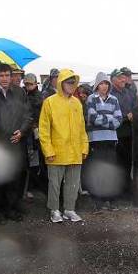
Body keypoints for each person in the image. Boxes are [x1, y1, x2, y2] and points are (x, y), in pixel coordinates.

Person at [0, 63, 32, 223]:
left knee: (14, 179)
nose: (4, 79)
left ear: (12, 77)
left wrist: (22, 131)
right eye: (1, 75)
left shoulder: (19, 92)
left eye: (7, 75)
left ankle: (10, 209)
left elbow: (27, 115)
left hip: (16, 143)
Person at [39, 69, 89, 223]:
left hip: (75, 151)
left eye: (73, 82)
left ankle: (69, 209)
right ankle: (54, 210)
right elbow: (44, 129)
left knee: (73, 183)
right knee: (54, 184)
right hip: (56, 151)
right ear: (61, 83)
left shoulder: (77, 103)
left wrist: (84, 147)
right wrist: (48, 150)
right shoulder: (50, 102)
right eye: (68, 82)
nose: (71, 85)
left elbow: (82, 127)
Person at [85, 72, 122, 210]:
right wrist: (109, 120)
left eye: (106, 83)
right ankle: (97, 201)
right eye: (101, 83)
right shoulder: (91, 99)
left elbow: (118, 120)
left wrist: (104, 120)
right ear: (97, 85)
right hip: (96, 140)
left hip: (111, 139)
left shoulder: (114, 99)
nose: (104, 86)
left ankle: (110, 200)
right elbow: (93, 117)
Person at [110, 68, 136, 197]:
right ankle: (118, 190)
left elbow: (135, 107)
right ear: (113, 79)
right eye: (120, 78)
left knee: (127, 162)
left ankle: (126, 188)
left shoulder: (129, 92)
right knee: (117, 163)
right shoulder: (110, 94)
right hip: (117, 133)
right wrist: (127, 116)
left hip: (130, 133)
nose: (123, 79)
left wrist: (133, 114)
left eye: (124, 77)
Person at [23, 73, 44, 198]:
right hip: (28, 130)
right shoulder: (25, 94)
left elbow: (34, 112)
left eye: (30, 83)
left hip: (35, 130)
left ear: (35, 84)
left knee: (34, 158)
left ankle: (33, 186)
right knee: (31, 159)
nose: (28, 86)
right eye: (26, 84)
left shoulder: (37, 97)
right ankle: (31, 186)